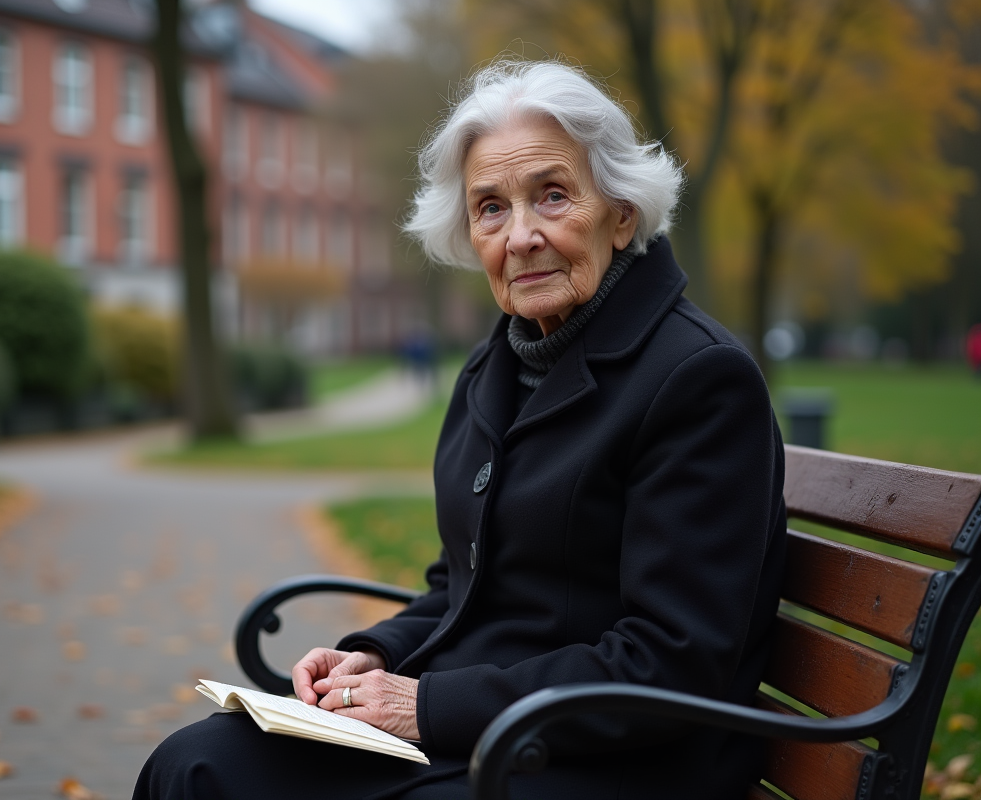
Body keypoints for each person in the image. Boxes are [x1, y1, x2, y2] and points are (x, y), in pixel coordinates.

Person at [133, 59, 787, 800]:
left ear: (623, 210)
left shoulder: (696, 380)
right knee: (193, 765)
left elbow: (670, 660)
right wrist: (377, 655)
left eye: (552, 195)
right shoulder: (495, 369)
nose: (522, 236)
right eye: (491, 208)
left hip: (622, 758)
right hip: (488, 728)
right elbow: (465, 585)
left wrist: (425, 706)